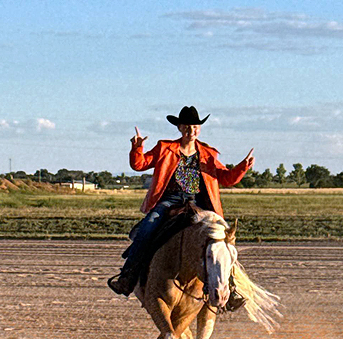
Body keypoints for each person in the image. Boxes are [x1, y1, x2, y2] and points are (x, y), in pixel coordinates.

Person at [108, 106, 255, 304]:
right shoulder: (165, 148)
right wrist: (137, 148)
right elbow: (139, 164)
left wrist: (242, 167)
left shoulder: (208, 154)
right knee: (146, 228)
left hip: (199, 202)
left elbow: (226, 178)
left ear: (199, 129)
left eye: (195, 126)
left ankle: (231, 290)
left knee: (223, 241)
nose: (191, 130)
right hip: (171, 199)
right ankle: (127, 277)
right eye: (186, 126)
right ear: (179, 128)